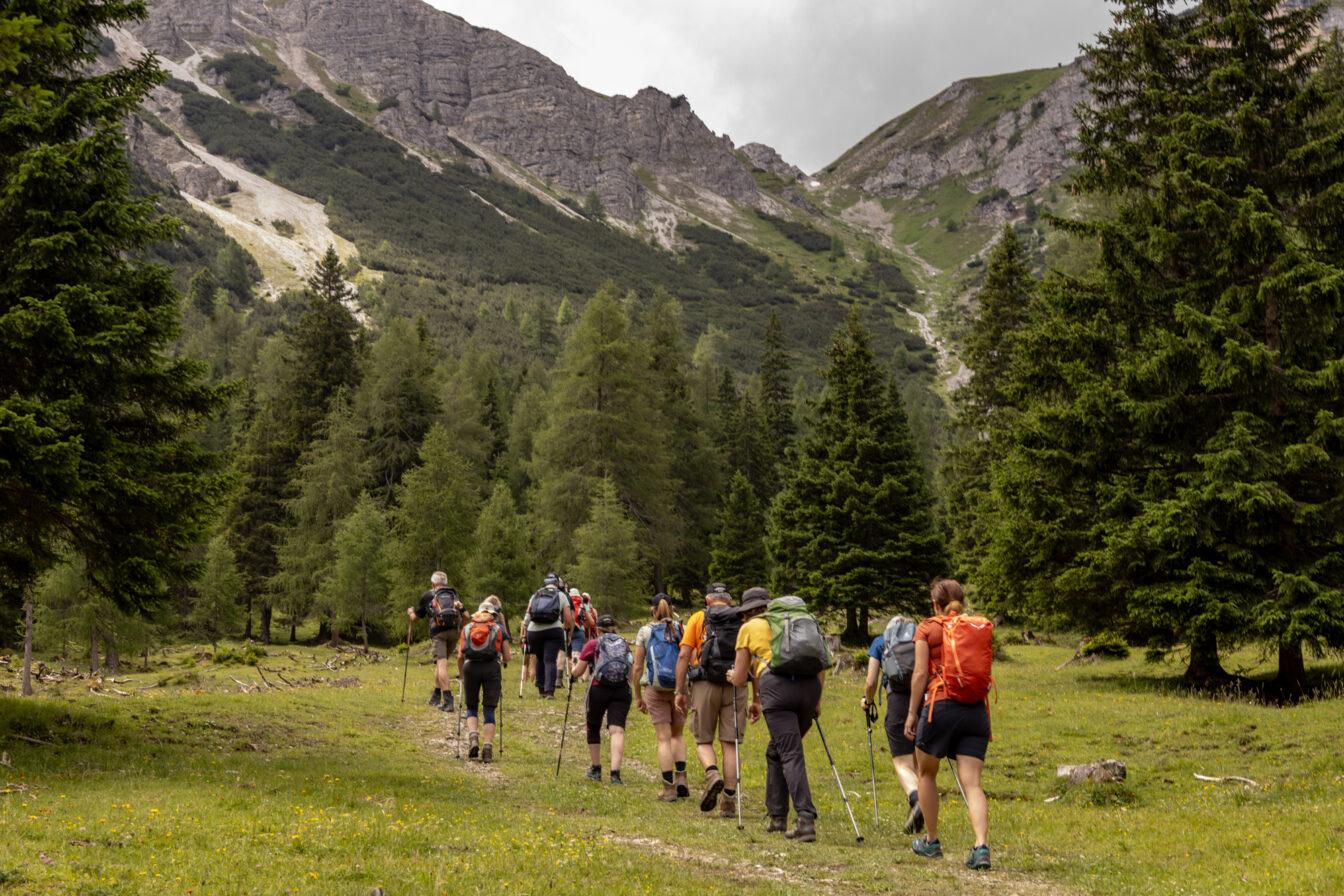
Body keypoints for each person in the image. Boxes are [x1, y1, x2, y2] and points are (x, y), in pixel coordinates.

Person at [904, 578, 993, 870]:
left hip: (939, 706)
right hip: (975, 711)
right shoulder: (976, 626)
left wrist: (912, 713)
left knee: (926, 774)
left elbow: (919, 674)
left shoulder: (928, 627)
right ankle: (981, 846)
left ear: (935, 603)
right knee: (973, 784)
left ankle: (931, 842)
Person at [729, 589, 825, 842]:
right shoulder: (799, 622)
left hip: (777, 688)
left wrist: (732, 676)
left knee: (789, 752)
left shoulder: (749, 628)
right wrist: (817, 699)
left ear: (748, 611)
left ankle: (805, 818)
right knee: (776, 751)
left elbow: (739, 678)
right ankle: (777, 815)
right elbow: (821, 661)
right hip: (809, 686)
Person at [674, 583, 748, 817]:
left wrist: (680, 691)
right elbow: (752, 657)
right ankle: (728, 802)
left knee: (703, 740)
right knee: (730, 743)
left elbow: (685, 654)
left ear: (708, 600)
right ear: (730, 599)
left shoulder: (698, 618)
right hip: (735, 683)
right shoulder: (742, 619)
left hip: (705, 683)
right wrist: (756, 695)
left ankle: (712, 773)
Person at [863, 616, 923, 833]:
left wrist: (867, 702)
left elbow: (871, 682)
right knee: (920, 761)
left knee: (902, 763)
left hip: (898, 701)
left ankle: (916, 801)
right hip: (924, 700)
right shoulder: (920, 638)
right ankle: (923, 809)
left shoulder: (880, 641)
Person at [632, 594, 687, 801]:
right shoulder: (681, 629)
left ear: (652, 610)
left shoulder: (645, 631)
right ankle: (682, 778)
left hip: (655, 688)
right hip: (680, 689)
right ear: (671, 609)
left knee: (663, 738)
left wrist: (638, 695)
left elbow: (637, 666)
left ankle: (669, 788)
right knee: (677, 735)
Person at [569, 614, 633, 784]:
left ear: (597, 629)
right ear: (614, 628)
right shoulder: (624, 643)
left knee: (593, 726)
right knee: (617, 731)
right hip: (621, 689)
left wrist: (572, 667)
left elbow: (578, 673)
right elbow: (630, 669)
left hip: (598, 689)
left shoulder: (593, 644)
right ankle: (615, 774)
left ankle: (596, 769)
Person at [458, 600, 512, 763]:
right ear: (493, 614)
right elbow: (507, 657)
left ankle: (473, 738)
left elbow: (460, 655)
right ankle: (487, 749)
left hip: (470, 667)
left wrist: (461, 674)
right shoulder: (499, 628)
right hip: (491, 668)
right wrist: (500, 659)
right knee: (489, 709)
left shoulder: (467, 628)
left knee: (471, 706)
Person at [407, 572, 463, 712]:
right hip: (454, 633)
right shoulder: (453, 595)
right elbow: (465, 614)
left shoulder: (428, 595)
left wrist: (410, 612)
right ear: (446, 583)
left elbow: (415, 618)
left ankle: (448, 701)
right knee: (440, 663)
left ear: (432, 584)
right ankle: (436, 696)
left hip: (438, 633)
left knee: (441, 664)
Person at [525, 572, 574, 698]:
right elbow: (568, 618)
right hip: (553, 630)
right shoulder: (561, 595)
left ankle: (541, 690)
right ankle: (549, 691)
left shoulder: (536, 594)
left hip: (533, 631)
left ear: (546, 583)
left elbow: (527, 615)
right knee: (550, 659)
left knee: (540, 658)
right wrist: (565, 628)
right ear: (557, 583)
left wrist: (526, 631)